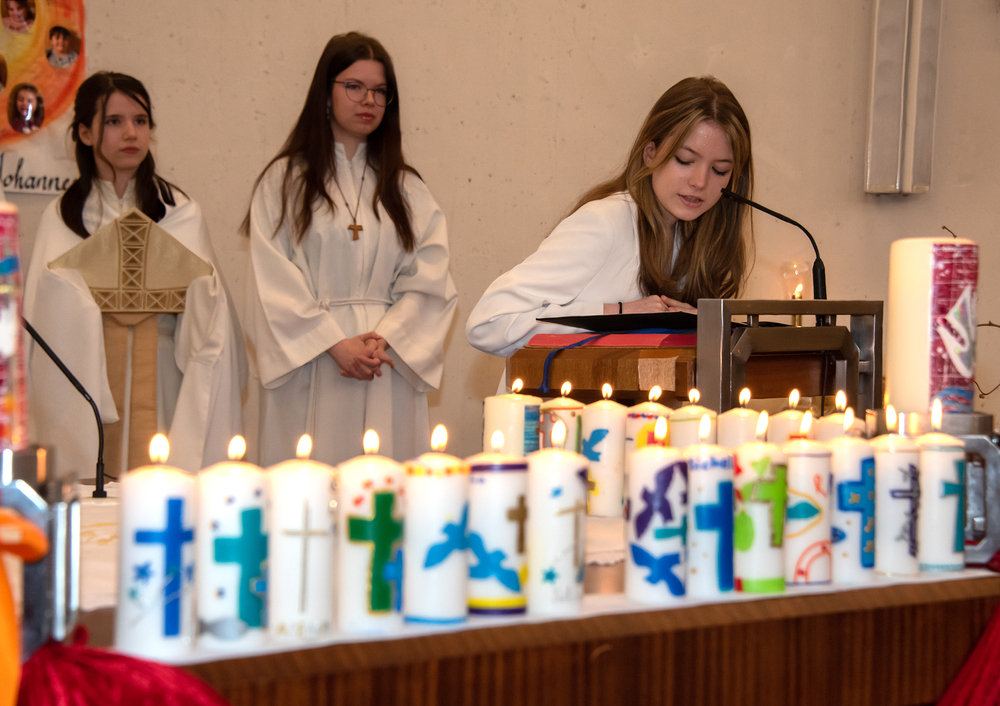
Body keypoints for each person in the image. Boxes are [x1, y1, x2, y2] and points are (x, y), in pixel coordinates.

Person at [243, 31, 457, 465]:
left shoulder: (406, 188)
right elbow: (271, 280)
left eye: (380, 91)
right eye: (355, 87)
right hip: (313, 359)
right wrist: (333, 343)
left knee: (382, 482)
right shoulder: (284, 182)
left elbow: (431, 278)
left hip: (384, 360)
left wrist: (387, 338)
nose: (369, 101)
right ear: (326, 93)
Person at [23, 72, 243, 477]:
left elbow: (210, 318)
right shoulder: (62, 216)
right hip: (88, 378)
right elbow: (42, 321)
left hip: (163, 379)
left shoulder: (180, 212)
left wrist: (196, 291)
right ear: (85, 133)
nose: (131, 133)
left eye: (140, 121)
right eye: (114, 121)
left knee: (159, 484)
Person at [466, 75, 754, 358]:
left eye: (719, 170)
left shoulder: (696, 239)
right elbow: (488, 324)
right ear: (650, 153)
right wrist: (618, 314)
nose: (700, 182)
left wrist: (699, 325)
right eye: (685, 160)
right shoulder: (605, 222)